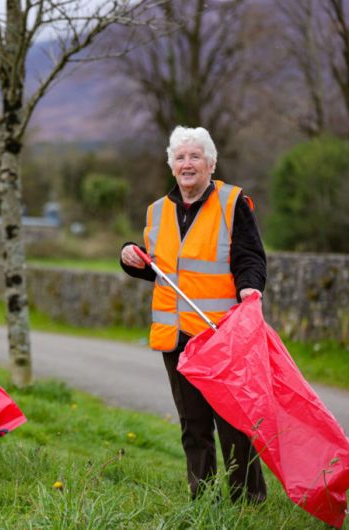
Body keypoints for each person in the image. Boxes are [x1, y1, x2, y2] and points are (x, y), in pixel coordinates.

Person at [120, 126, 267, 503]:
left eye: (195, 156)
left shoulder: (232, 202)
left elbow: (250, 257)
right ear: (172, 166)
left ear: (211, 163)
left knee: (234, 422)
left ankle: (248, 501)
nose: (187, 164)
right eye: (180, 157)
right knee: (194, 426)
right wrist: (130, 257)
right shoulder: (157, 211)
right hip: (177, 338)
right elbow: (158, 267)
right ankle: (202, 501)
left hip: (222, 333)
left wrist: (251, 286)